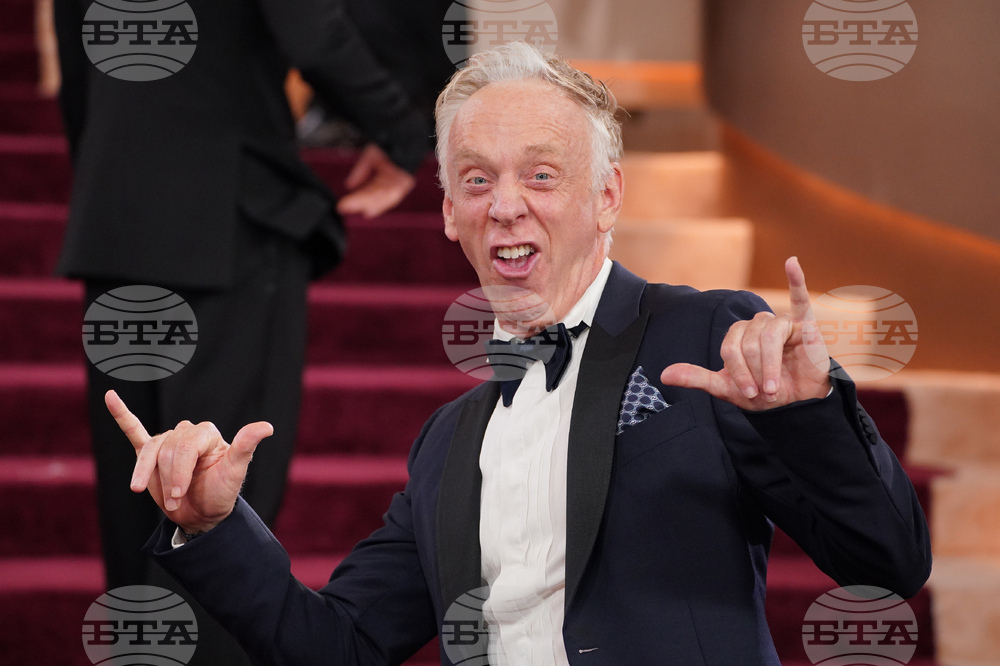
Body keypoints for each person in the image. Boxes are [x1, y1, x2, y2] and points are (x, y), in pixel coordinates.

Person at [105, 43, 931, 665]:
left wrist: (811, 415)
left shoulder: (706, 336)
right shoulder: (446, 441)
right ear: (448, 213)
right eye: (476, 180)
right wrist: (213, 527)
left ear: (606, 196)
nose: (504, 206)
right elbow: (339, 645)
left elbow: (888, 563)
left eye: (540, 176)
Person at [53, 0, 432, 663]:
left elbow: (77, 57)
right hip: (228, 216)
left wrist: (113, 181)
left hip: (117, 224)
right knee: (213, 503)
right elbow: (312, 31)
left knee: (137, 495)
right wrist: (403, 133)